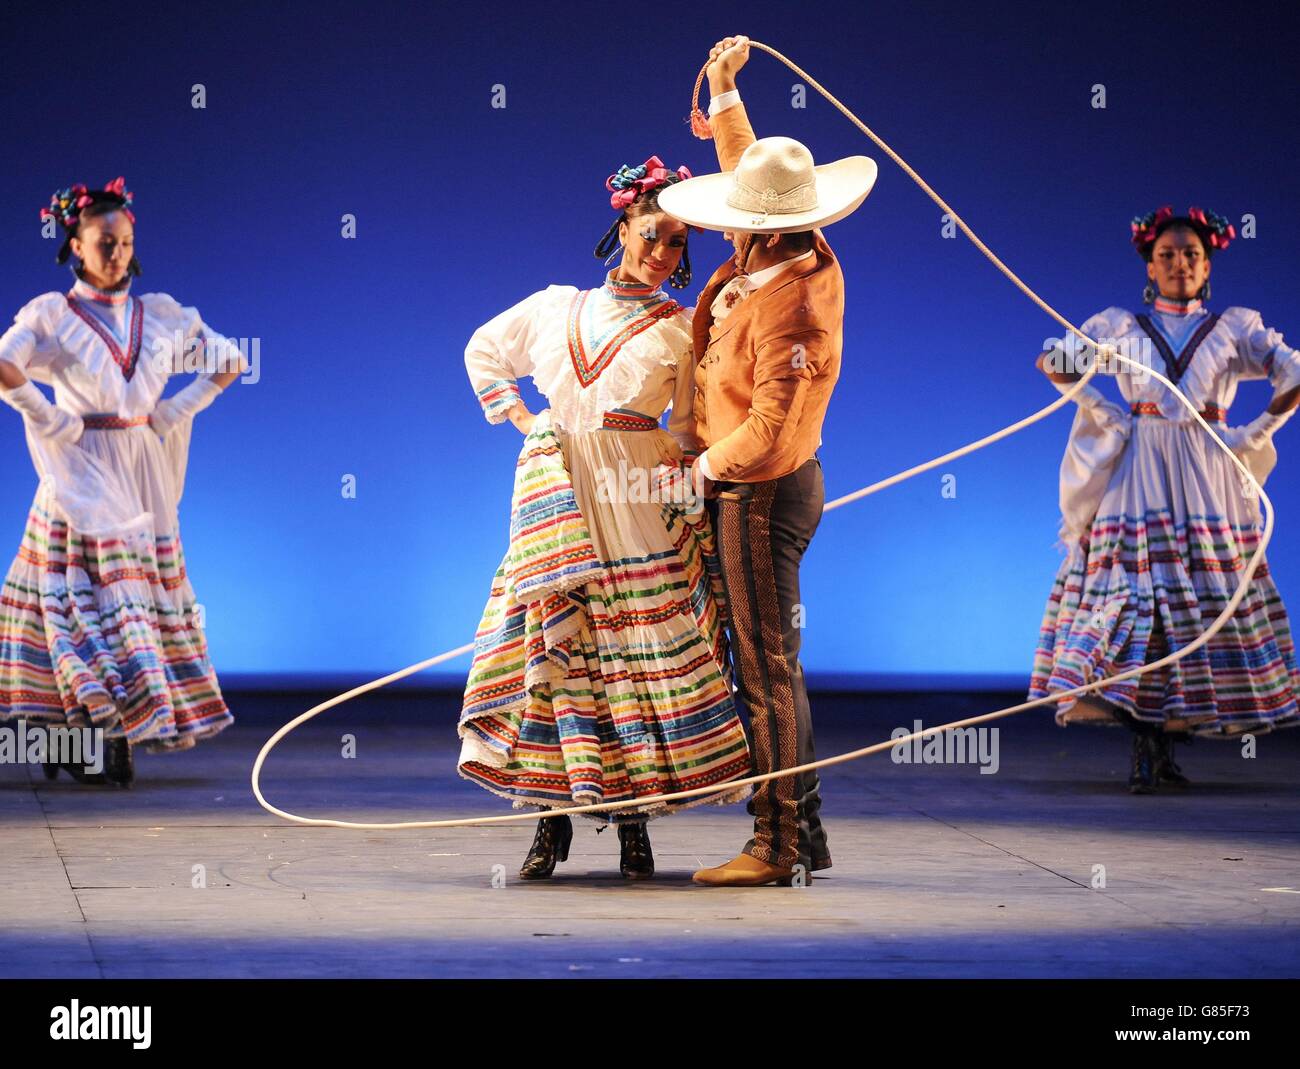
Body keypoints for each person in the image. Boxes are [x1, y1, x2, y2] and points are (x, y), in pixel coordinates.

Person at [458, 156, 753, 881]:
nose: (662, 253)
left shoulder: (682, 331)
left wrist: (681, 481)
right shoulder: (558, 306)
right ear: (624, 225)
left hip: (631, 500)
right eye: (653, 234)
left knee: (628, 655)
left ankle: (632, 822)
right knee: (556, 647)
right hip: (559, 496)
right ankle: (548, 822)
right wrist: (528, 420)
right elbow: (484, 348)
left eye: (678, 243)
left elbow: (688, 425)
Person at [656, 35, 878, 886]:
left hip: (758, 492)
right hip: (754, 488)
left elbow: (775, 433)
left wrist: (702, 470)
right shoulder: (778, 247)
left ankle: (778, 842)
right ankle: (804, 832)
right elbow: (751, 162)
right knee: (768, 656)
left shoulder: (796, 310)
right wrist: (721, 87)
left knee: (765, 664)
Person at [1030, 203, 1300, 792]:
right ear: (1150, 265)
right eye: (1168, 255)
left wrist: (1256, 432)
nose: (1180, 264)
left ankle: (1169, 738)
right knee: (1137, 592)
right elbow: (1056, 362)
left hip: (1206, 473)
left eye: (1191, 256)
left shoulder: (1233, 329)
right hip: (1142, 470)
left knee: (1203, 600)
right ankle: (1144, 743)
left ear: (1207, 266)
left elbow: (1291, 372)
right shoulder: (1120, 328)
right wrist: (1106, 413)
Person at [0, 177, 242, 786]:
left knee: (133, 597)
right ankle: (84, 731)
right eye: (104, 242)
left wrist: (172, 411)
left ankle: (117, 728)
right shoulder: (53, 315)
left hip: (140, 466)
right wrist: (49, 415)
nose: (117, 253)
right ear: (76, 246)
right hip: (80, 466)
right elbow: (4, 361)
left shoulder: (158, 314)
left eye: (126, 241)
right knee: (81, 603)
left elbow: (229, 360)